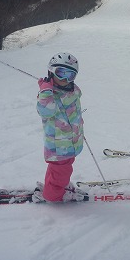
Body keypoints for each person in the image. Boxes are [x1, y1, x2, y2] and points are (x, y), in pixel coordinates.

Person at [34, 52, 87, 202]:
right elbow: (45, 111)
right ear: (51, 71)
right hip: (59, 147)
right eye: (61, 73)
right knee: (61, 172)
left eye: (70, 76)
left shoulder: (71, 91)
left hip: (70, 143)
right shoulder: (49, 96)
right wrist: (45, 91)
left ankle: (55, 184)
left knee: (58, 171)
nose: (64, 79)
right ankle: (54, 195)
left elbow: (74, 114)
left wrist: (78, 129)